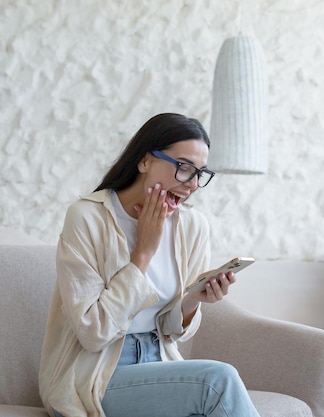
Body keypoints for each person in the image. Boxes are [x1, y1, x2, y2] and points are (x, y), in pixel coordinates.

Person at [38, 113, 260, 417]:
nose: (192, 184)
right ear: (145, 161)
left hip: (160, 362)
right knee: (217, 382)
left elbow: (172, 332)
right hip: (94, 375)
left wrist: (193, 300)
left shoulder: (192, 226)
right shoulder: (87, 218)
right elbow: (93, 333)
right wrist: (143, 252)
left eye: (200, 173)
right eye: (183, 168)